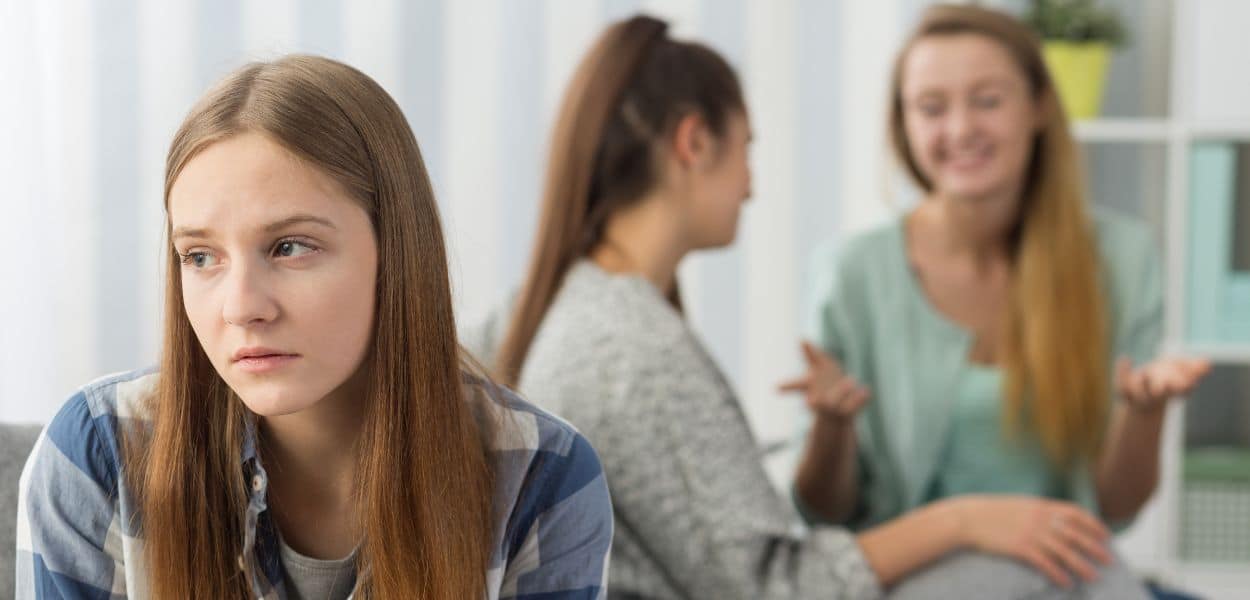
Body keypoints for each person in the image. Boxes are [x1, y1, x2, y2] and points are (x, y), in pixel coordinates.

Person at [467, 14, 1149, 600]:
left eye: (987, 101)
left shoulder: (563, 305)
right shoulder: (635, 347)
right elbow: (773, 584)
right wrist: (964, 519)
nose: (753, 186)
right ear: (694, 143)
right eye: (748, 150)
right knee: (1085, 576)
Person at [15, 55, 612, 600]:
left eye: (290, 247)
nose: (241, 306)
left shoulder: (542, 478)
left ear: (397, 253)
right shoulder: (97, 457)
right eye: (200, 257)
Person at [786, 3, 1209, 591]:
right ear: (903, 122)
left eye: (987, 100)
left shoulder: (1120, 259)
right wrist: (832, 428)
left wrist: (1144, 414)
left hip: (1072, 571)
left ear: (1038, 106)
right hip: (915, 576)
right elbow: (824, 514)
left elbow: (1115, 509)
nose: (960, 130)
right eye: (931, 108)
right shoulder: (852, 272)